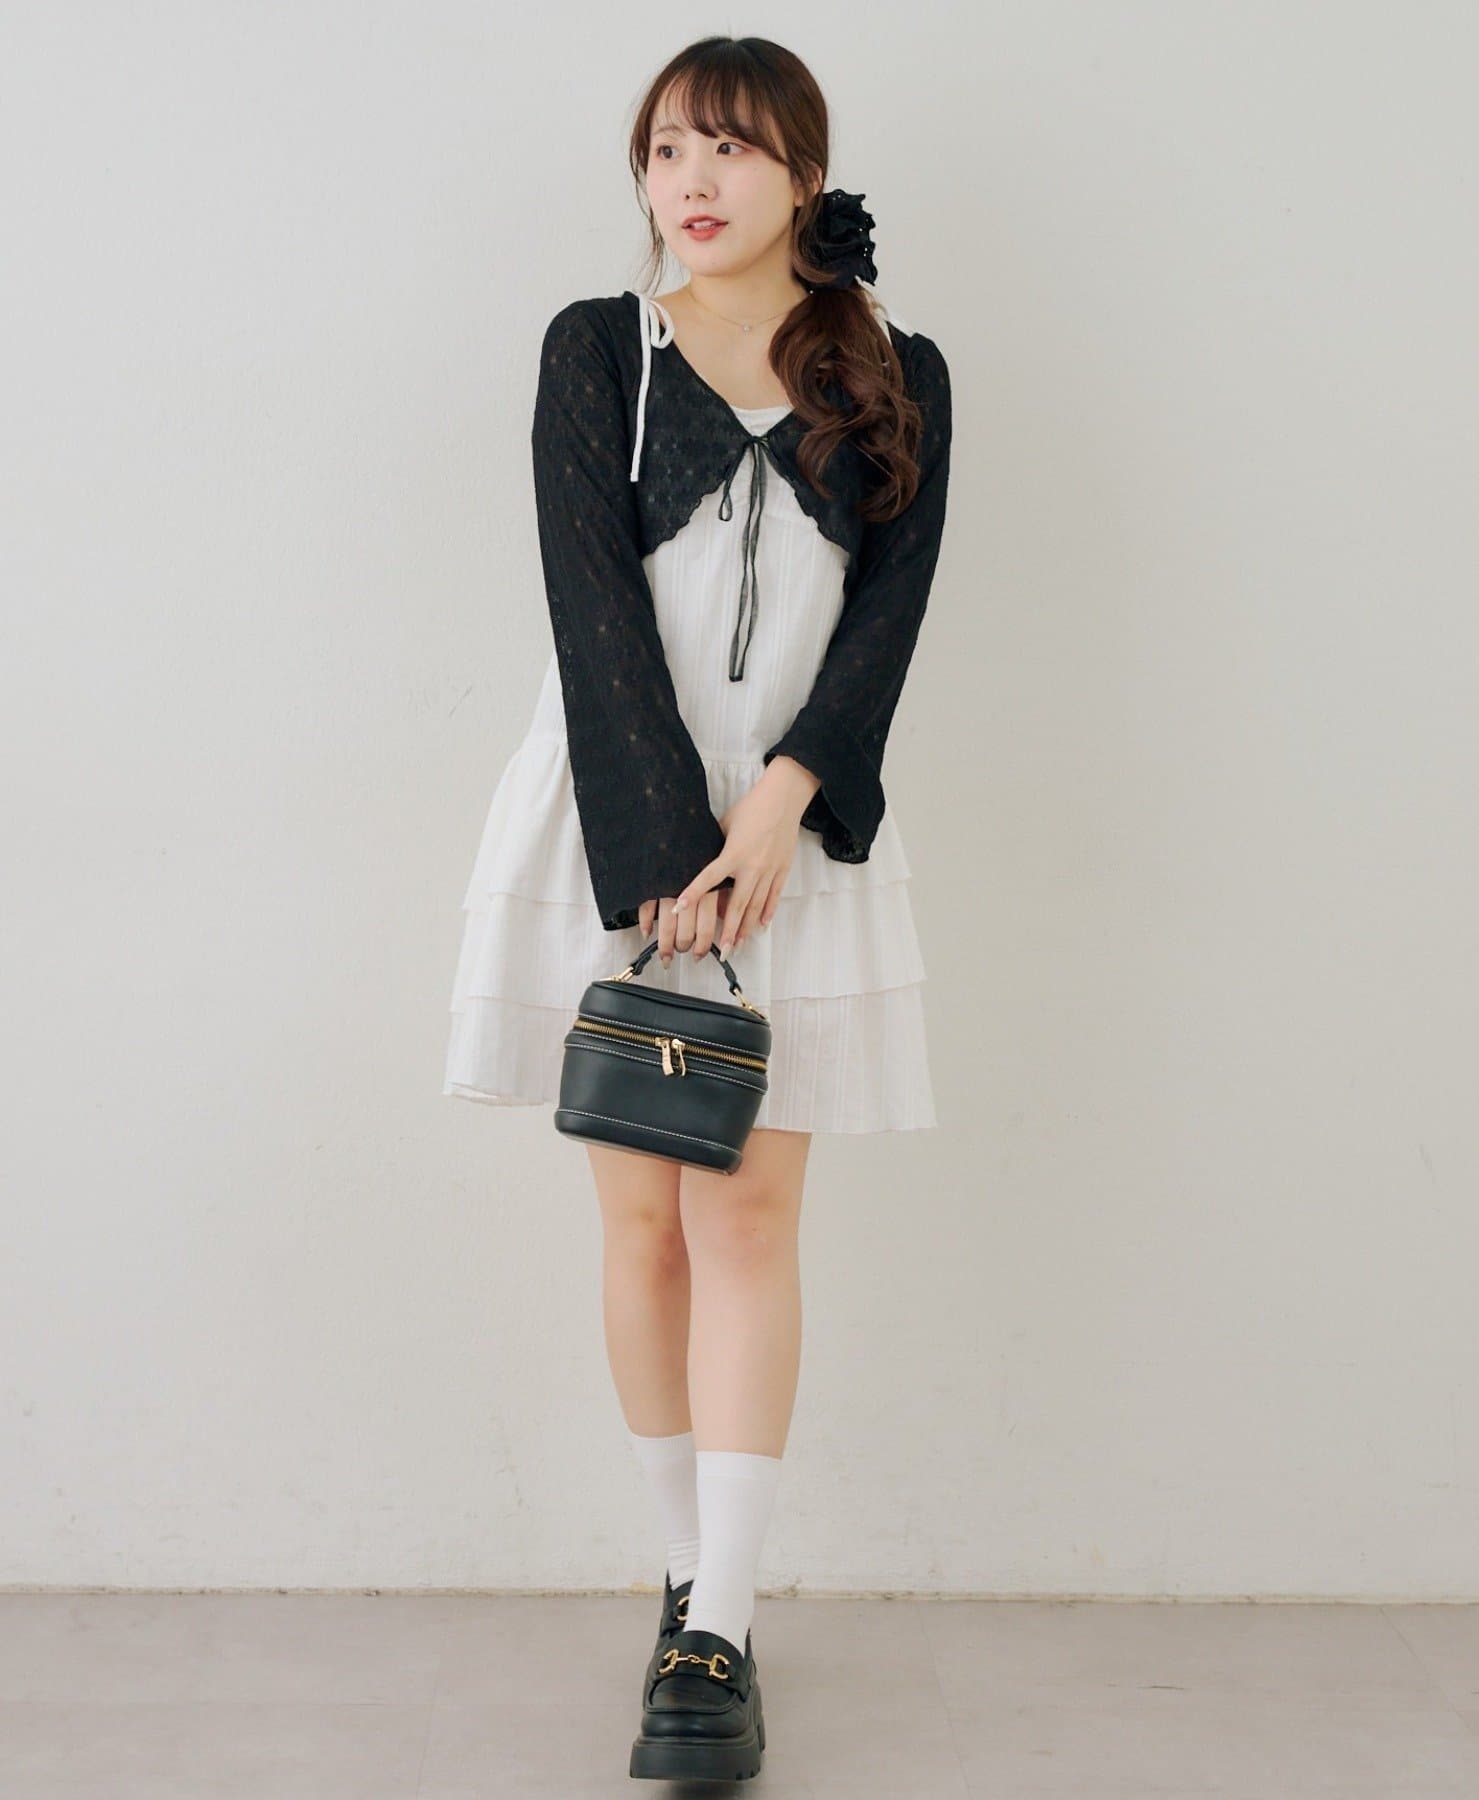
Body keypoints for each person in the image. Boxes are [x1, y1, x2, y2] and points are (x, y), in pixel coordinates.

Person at [443, 33, 953, 1784]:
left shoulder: (898, 375)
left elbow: (886, 627)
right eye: (668, 148)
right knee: (644, 1224)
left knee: (748, 1220)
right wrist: (672, 858)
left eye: (730, 148)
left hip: (788, 836)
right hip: (618, 816)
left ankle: (720, 1628)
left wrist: (782, 809)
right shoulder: (600, 351)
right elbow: (589, 608)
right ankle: (684, 1571)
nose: (694, 181)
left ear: (804, 171)